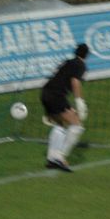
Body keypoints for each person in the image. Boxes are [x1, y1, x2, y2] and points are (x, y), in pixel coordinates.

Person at [40, 43, 89, 172]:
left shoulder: (68, 62)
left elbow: (56, 76)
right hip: (56, 96)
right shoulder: (80, 65)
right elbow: (75, 81)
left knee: (60, 125)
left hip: (46, 93)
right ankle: (60, 157)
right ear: (87, 55)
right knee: (77, 125)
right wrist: (79, 102)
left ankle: (51, 159)